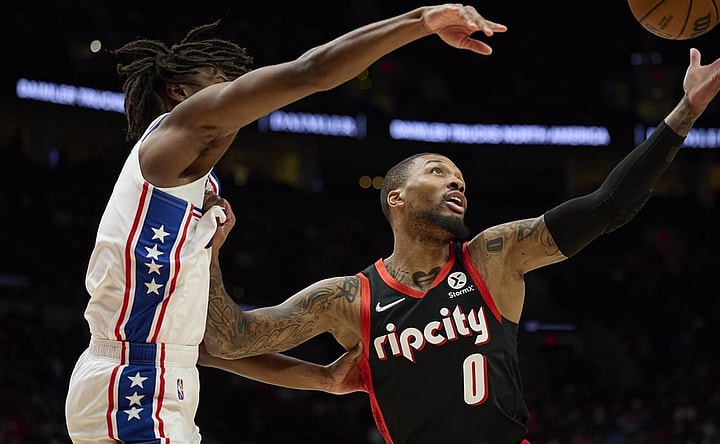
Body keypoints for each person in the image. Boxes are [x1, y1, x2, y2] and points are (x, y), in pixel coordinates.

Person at [201, 28, 720, 444]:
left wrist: (686, 110)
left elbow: (608, 206)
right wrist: (211, 254)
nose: (456, 183)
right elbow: (229, 342)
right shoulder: (348, 298)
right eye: (438, 171)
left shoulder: (494, 256)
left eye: (460, 177)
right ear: (394, 198)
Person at [64, 5, 507, 443]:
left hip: (155, 381)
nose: (235, 90)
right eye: (221, 81)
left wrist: (323, 380)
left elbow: (202, 347)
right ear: (180, 93)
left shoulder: (191, 187)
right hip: (135, 385)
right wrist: (421, 21)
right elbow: (309, 72)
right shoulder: (174, 136)